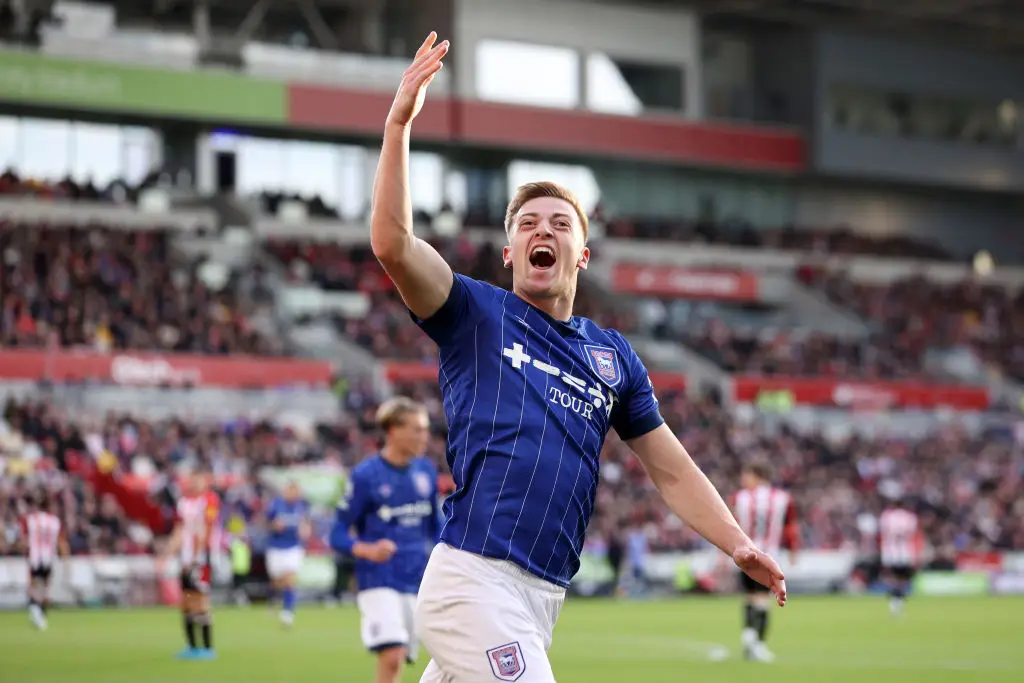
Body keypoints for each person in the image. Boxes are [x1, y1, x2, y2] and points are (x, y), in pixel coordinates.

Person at [371, 32, 787, 683]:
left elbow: (672, 469)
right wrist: (399, 124)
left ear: (582, 255)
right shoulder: (474, 312)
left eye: (560, 224)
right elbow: (393, 244)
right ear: (509, 252)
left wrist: (737, 541)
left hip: (540, 601)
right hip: (473, 579)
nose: (543, 230)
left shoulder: (613, 356)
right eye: (527, 223)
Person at [330, 397, 440, 683]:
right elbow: (337, 533)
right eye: (417, 429)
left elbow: (437, 528)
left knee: (413, 658)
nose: (424, 436)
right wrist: (366, 549)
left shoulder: (426, 471)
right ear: (393, 431)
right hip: (379, 578)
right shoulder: (366, 475)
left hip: (417, 578)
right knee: (392, 655)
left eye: (425, 429)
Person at [728, 461, 799, 662]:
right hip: (769, 555)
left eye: (746, 475)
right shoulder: (783, 498)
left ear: (756, 476)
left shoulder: (739, 497)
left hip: (744, 553)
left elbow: (731, 525)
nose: (743, 480)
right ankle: (757, 643)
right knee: (761, 600)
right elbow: (790, 527)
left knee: (750, 596)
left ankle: (749, 637)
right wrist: (793, 551)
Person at [163, 471, 221, 660]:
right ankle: (191, 646)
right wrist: (168, 552)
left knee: (200, 601)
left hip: (201, 559)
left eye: (198, 480)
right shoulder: (183, 502)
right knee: (186, 602)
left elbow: (206, 528)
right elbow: (179, 530)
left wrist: (197, 556)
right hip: (185, 559)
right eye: (192, 480)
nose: (194, 484)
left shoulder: (209, 500)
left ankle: (207, 647)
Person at [265, 481, 311, 627]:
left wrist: (305, 530)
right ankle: (273, 600)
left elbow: (306, 522)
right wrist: (274, 525)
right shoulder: (276, 504)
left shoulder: (302, 505)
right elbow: (266, 522)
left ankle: (288, 612)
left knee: (289, 578)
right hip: (276, 546)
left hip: (293, 547)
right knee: (277, 580)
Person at [22, 497, 68, 631]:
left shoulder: (31, 519)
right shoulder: (55, 521)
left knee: (34, 584)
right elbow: (61, 541)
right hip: (49, 557)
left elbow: (25, 539)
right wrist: (65, 558)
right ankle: (40, 613)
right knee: (45, 586)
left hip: (35, 556)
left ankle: (36, 610)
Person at [878, 496, 921, 616]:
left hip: (890, 551)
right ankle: (899, 599)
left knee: (892, 577)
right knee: (903, 577)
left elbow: (883, 531)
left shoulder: (886, 516)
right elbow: (912, 532)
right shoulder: (910, 517)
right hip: (905, 551)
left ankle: (894, 599)